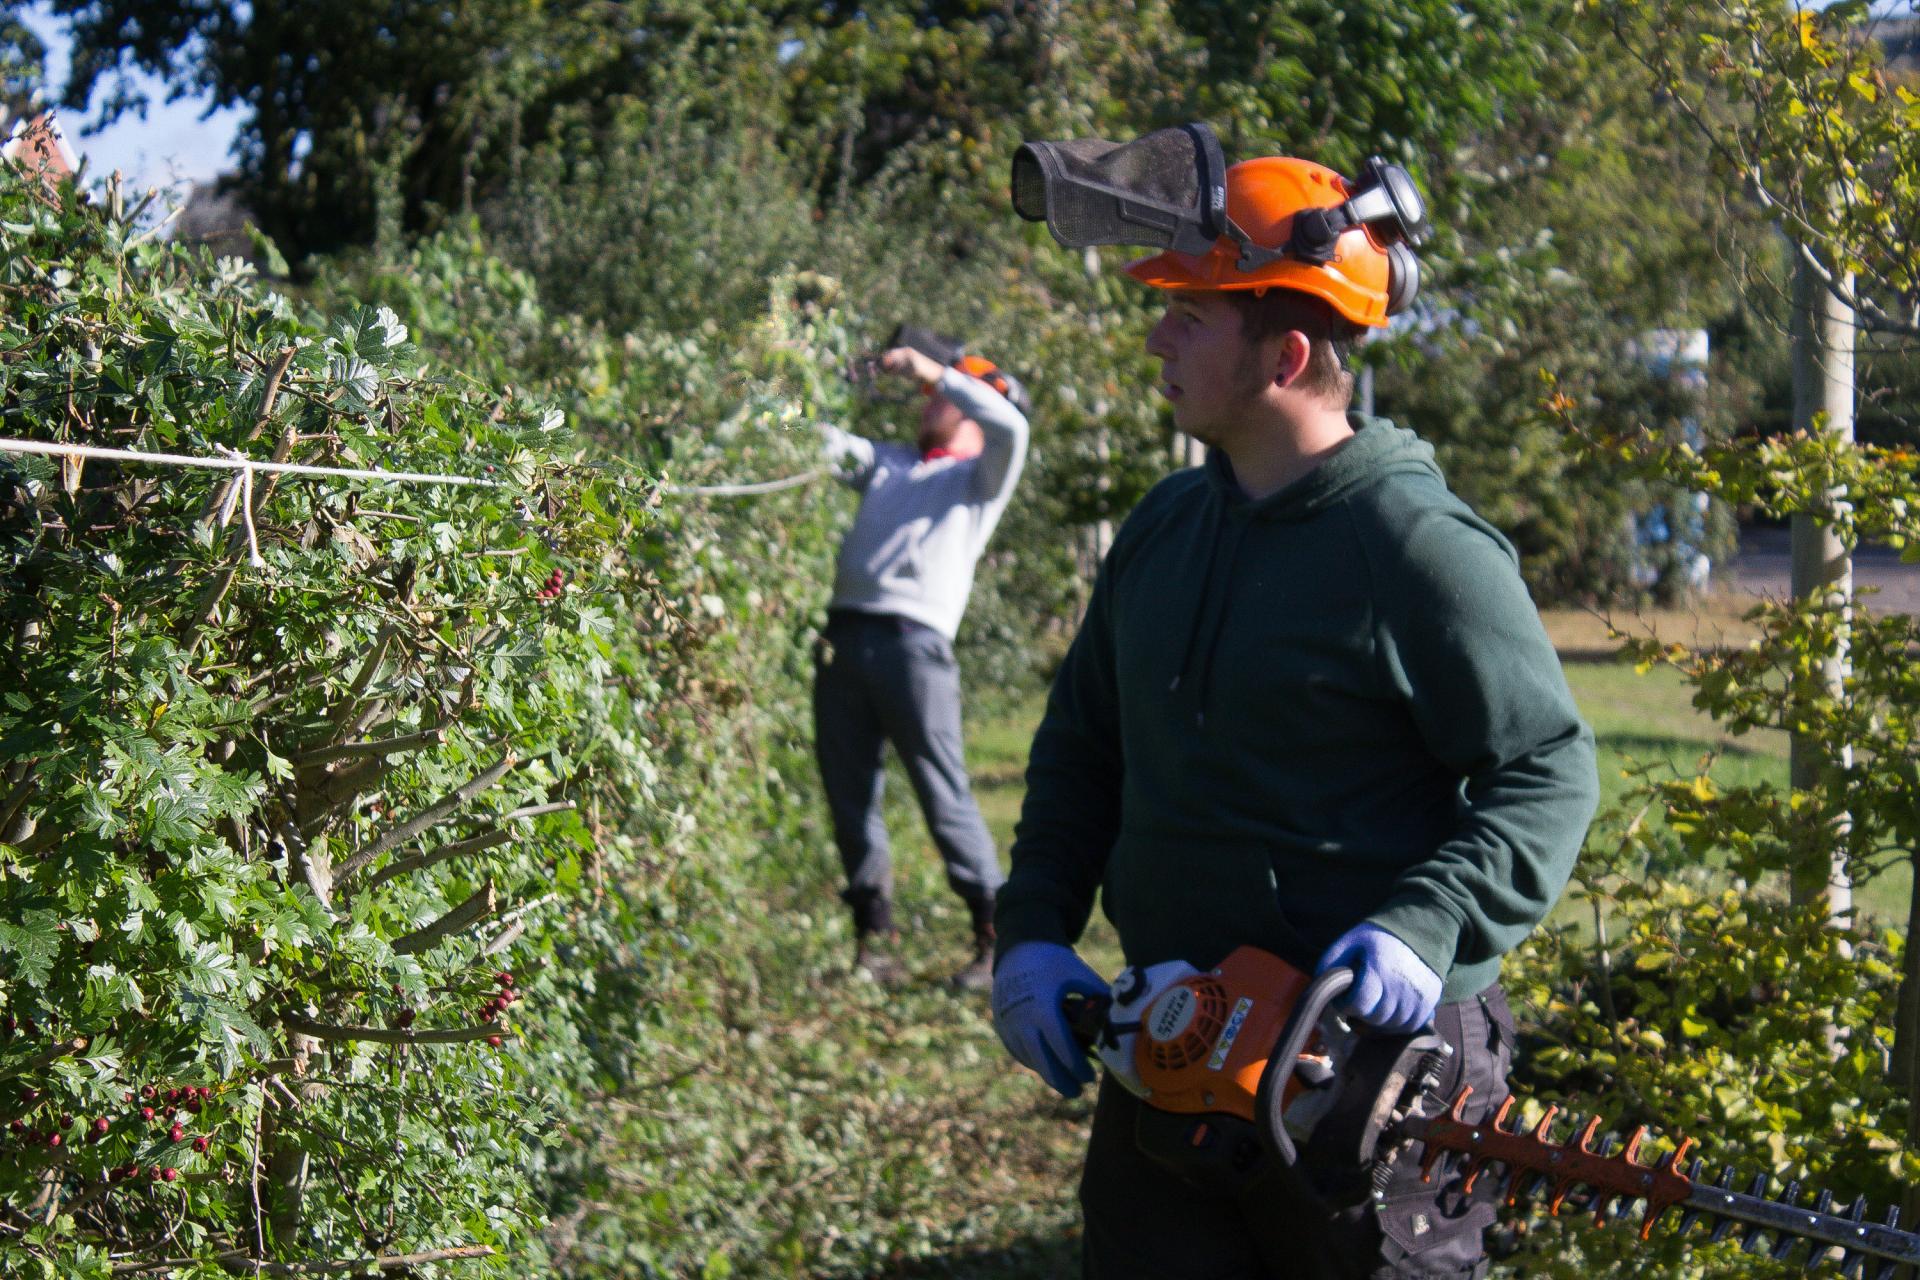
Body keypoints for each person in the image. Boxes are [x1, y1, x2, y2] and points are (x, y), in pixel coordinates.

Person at [990, 152, 1599, 1277]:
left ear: (1290, 352)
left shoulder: (1416, 547)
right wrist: (1031, 928)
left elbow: (1547, 767)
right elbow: (1083, 747)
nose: (1155, 338)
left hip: (1367, 1078)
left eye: (1190, 314)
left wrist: (1426, 921)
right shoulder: (1164, 528)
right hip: (1169, 1047)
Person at [815, 339, 1030, 992]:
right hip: (843, 639)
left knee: (943, 792)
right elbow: (817, 442)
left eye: (944, 397)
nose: (931, 402)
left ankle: (997, 938)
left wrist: (937, 370)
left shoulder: (981, 479)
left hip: (916, 648)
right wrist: (796, 380)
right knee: (849, 796)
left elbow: (1011, 424)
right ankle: (873, 945)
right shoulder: (889, 463)